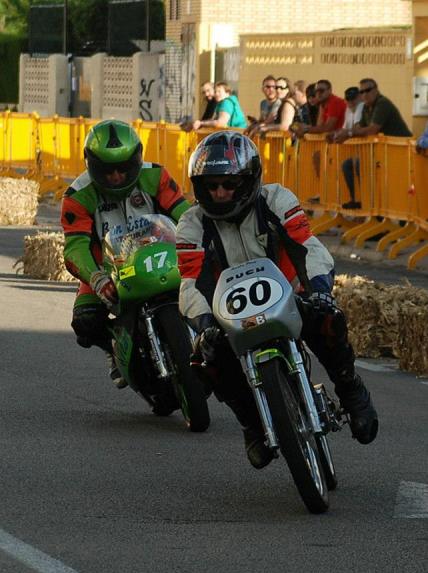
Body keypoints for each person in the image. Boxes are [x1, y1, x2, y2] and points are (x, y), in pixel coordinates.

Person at [176, 131, 378, 470]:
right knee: (204, 360)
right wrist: (205, 324)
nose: (220, 193)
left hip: (289, 294)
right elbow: (190, 281)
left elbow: (307, 246)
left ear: (249, 179)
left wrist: (319, 292)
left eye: (229, 183)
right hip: (230, 314)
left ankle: (349, 387)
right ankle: (252, 424)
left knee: (329, 318)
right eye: (211, 186)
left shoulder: (276, 199)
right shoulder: (191, 223)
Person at [60, 119, 190, 392]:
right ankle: (115, 347)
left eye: (123, 168)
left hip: (161, 256)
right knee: (84, 322)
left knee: (204, 288)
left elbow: (185, 216)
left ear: (137, 157)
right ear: (91, 164)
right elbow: (75, 248)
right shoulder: (77, 195)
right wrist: (95, 278)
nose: (117, 176)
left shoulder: (156, 176)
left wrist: (196, 242)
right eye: (107, 170)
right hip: (107, 268)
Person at [343, 79, 412, 208]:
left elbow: (372, 129)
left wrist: (349, 133)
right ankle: (359, 200)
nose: (364, 94)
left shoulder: (382, 103)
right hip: (383, 153)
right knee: (348, 164)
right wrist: (352, 131)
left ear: (376, 90)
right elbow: (359, 128)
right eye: (361, 92)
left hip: (400, 152)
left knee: (361, 165)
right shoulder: (365, 107)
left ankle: (373, 207)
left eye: (368, 90)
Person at [327, 87, 364, 209]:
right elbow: (345, 128)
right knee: (346, 165)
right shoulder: (349, 109)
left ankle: (364, 201)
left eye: (353, 99)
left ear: (359, 97)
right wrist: (335, 133)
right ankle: (355, 199)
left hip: (369, 150)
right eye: (349, 99)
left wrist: (343, 133)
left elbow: (356, 127)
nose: (351, 102)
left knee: (359, 166)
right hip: (358, 151)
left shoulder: (361, 106)